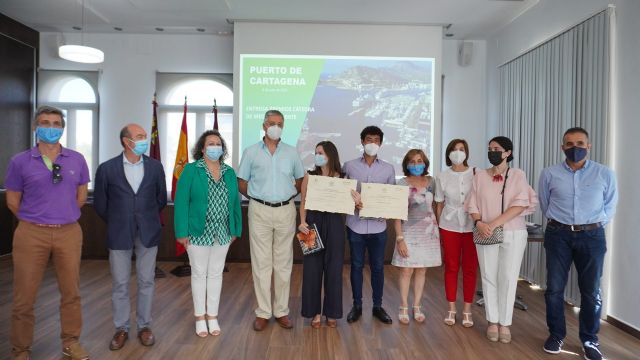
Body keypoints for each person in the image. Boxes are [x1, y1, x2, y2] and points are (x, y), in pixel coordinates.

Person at [5, 106, 90, 360]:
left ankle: (71, 342)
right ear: (35, 127)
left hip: (69, 232)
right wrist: (36, 218)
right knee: (24, 296)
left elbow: (81, 197)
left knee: (71, 292)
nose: (51, 127)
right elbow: (12, 201)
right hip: (31, 234)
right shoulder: (19, 161)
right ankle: (20, 349)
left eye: (56, 123)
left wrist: (60, 216)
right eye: (45, 123)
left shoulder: (77, 159)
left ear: (62, 128)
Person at [538, 127, 617, 360]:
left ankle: (590, 340)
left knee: (591, 292)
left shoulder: (605, 174)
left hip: (592, 236)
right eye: (570, 144)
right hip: (558, 234)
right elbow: (545, 203)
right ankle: (556, 335)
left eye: (580, 143)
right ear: (562, 147)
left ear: (588, 146)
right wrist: (561, 225)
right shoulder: (549, 173)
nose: (576, 148)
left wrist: (593, 225)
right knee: (554, 289)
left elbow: (610, 205)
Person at [93, 123, 167, 350]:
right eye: (140, 136)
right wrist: (119, 220)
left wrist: (144, 218)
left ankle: (144, 326)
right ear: (126, 141)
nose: (145, 139)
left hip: (148, 231)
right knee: (120, 283)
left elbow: (161, 199)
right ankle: (121, 329)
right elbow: (100, 204)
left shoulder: (155, 167)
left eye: (145, 136)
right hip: (118, 232)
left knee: (147, 281)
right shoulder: (107, 168)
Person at [237, 110, 305, 331]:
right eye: (272, 123)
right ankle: (264, 312)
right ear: (264, 125)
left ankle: (282, 311)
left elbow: (300, 180)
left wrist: (284, 195)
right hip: (259, 210)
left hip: (286, 210)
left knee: (284, 263)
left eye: (280, 123)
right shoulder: (250, 152)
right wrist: (258, 197)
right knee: (261, 263)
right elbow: (241, 182)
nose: (276, 127)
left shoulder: (292, 153)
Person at [466, 136, 537, 344]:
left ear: (507, 152)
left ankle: (505, 323)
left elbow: (520, 204)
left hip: (512, 232)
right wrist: (479, 223)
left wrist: (493, 223)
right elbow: (472, 204)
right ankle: (492, 321)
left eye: (496, 148)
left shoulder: (518, 175)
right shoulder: (479, 176)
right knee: (488, 276)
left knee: (507, 277)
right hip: (484, 232)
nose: (492, 152)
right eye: (489, 148)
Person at [174, 130, 242, 337]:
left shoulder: (229, 172)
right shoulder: (191, 170)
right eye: (210, 144)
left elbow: (235, 203)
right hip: (196, 232)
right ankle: (199, 317)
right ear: (202, 149)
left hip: (222, 232)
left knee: (215, 274)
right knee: (199, 273)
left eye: (218, 144)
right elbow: (181, 202)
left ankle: (212, 316)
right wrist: (181, 232)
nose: (215, 147)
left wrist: (235, 229)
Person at [343, 125, 396, 324]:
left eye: (375, 140)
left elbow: (392, 197)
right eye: (368, 139)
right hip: (355, 225)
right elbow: (342, 193)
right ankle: (357, 306)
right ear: (362, 141)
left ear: (380, 143)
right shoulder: (349, 166)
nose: (371, 143)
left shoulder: (388, 169)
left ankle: (377, 306)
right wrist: (352, 201)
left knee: (378, 268)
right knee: (356, 266)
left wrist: (387, 208)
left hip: (379, 227)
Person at [298, 141, 347, 328]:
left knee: (334, 269)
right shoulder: (309, 176)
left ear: (330, 155)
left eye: (321, 152)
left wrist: (355, 200)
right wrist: (302, 222)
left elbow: (347, 203)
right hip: (311, 224)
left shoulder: (342, 177)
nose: (317, 155)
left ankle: (332, 312)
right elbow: (303, 201)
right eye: (316, 152)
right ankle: (314, 313)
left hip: (335, 223)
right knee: (311, 269)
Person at [391, 149, 441, 324]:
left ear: (425, 162)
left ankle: (417, 305)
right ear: (406, 164)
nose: (416, 164)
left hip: (429, 231)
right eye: (412, 161)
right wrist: (399, 238)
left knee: (422, 269)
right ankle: (403, 305)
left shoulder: (432, 182)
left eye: (419, 161)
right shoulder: (402, 183)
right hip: (408, 231)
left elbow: (436, 207)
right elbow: (397, 213)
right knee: (406, 270)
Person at [434, 139, 478, 327]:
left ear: (467, 153)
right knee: (451, 266)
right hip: (449, 224)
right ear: (448, 153)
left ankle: (467, 309)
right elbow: (439, 203)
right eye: (454, 149)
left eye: (461, 149)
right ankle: (451, 308)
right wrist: (438, 227)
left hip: (471, 225)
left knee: (470, 268)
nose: (457, 153)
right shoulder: (442, 176)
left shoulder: (476, 173)